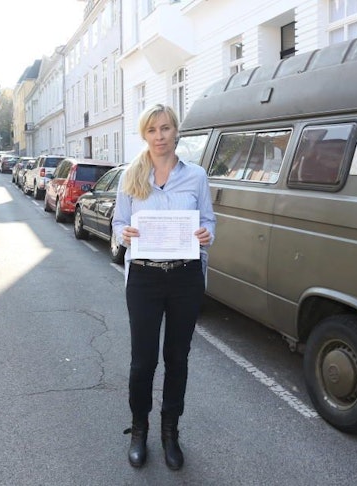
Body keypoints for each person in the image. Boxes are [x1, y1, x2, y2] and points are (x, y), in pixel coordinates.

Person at [113, 104, 216, 470]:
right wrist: (124, 234)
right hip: (144, 277)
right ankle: (139, 429)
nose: (160, 136)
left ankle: (170, 431)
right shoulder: (131, 175)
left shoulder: (196, 176)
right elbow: (118, 223)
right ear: (145, 134)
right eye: (153, 129)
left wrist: (206, 235)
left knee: (177, 358)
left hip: (185, 277)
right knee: (143, 361)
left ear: (176, 132)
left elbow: (208, 221)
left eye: (166, 128)